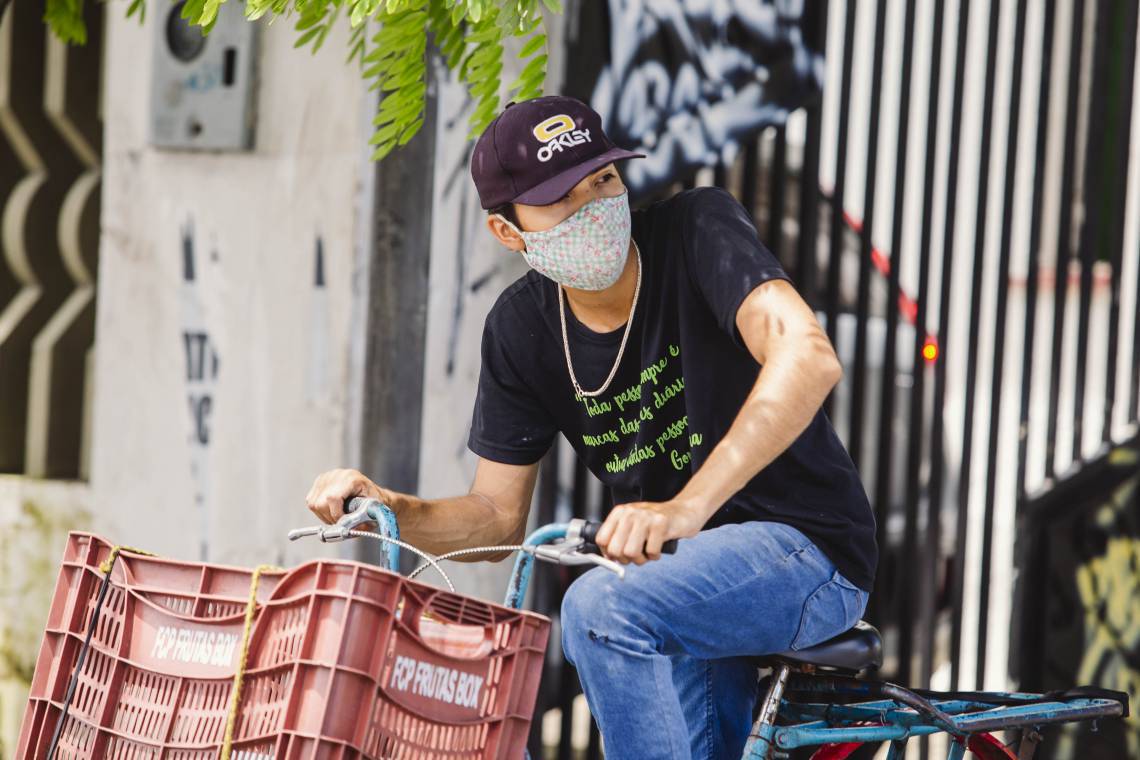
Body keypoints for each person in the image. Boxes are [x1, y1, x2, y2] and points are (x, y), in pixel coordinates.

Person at [306, 95, 877, 759]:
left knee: (601, 610)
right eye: (561, 196)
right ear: (508, 232)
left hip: (805, 553)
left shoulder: (696, 230)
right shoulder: (521, 329)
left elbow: (805, 352)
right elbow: (495, 521)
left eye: (602, 180)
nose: (595, 207)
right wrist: (389, 506)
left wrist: (685, 509)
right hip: (673, 577)